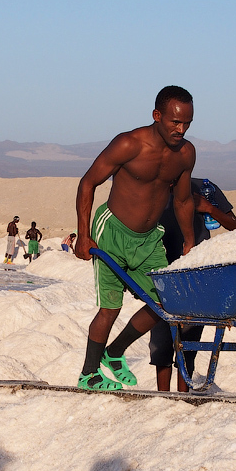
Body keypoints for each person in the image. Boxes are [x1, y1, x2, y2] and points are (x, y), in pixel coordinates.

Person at [73, 86, 197, 391]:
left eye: (187, 124)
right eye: (175, 123)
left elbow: (182, 201)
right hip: (112, 231)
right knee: (110, 308)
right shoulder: (129, 144)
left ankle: (114, 353)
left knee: (162, 304)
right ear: (157, 116)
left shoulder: (185, 154)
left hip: (149, 240)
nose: (181, 130)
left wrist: (190, 242)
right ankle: (89, 374)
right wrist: (84, 234)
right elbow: (88, 182)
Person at [149, 178, 236, 392]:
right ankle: (163, 398)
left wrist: (208, 208)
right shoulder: (154, 187)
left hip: (195, 276)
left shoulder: (204, 188)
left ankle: (183, 395)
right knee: (161, 344)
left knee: (188, 343)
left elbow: (234, 225)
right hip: (162, 274)